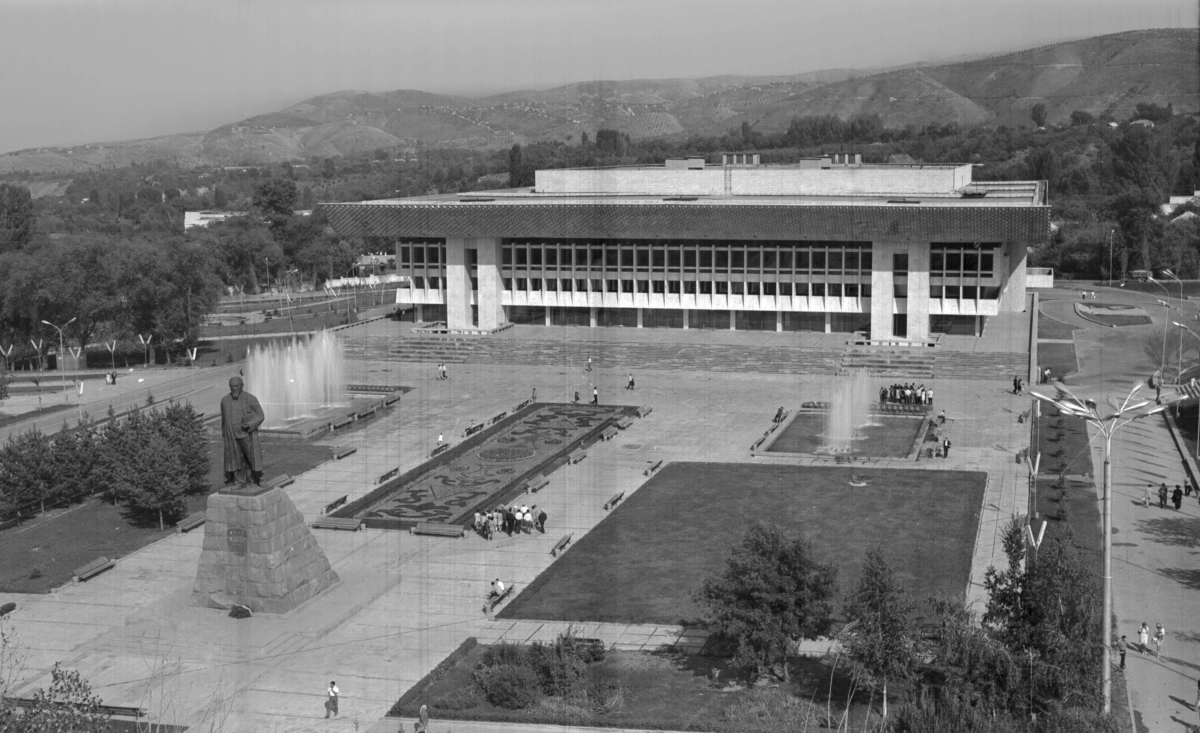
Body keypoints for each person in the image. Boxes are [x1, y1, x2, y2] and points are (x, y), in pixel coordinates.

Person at [220, 377, 265, 486]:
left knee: (252, 458)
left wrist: (250, 424)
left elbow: (260, 415)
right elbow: (224, 419)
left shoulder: (250, 398)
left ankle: (260, 478)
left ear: (242, 385)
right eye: (232, 387)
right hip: (232, 436)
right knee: (236, 459)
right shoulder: (225, 400)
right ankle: (239, 481)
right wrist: (224, 432)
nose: (234, 389)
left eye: (236, 386)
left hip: (246, 435)